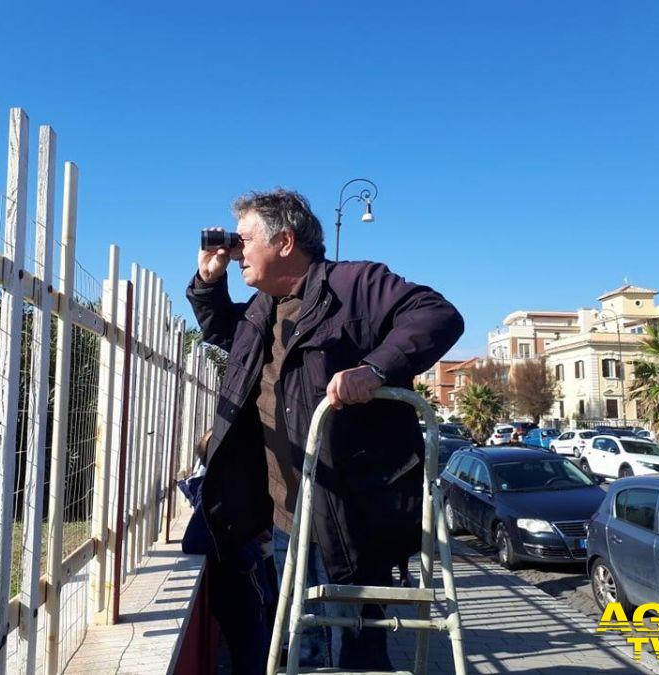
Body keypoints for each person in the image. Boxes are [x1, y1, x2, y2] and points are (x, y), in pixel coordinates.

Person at [187, 188, 464, 669]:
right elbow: (223, 334)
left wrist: (375, 370)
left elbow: (438, 316)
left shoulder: (356, 284)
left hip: (348, 515)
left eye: (246, 241)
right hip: (283, 514)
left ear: (286, 242)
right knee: (298, 643)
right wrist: (210, 283)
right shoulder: (261, 310)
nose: (238, 253)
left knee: (353, 649)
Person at [179, 430, 276, 675]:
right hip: (239, 588)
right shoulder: (217, 493)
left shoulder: (219, 487)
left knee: (253, 649)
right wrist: (244, 554)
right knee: (252, 651)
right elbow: (194, 540)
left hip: (239, 586)